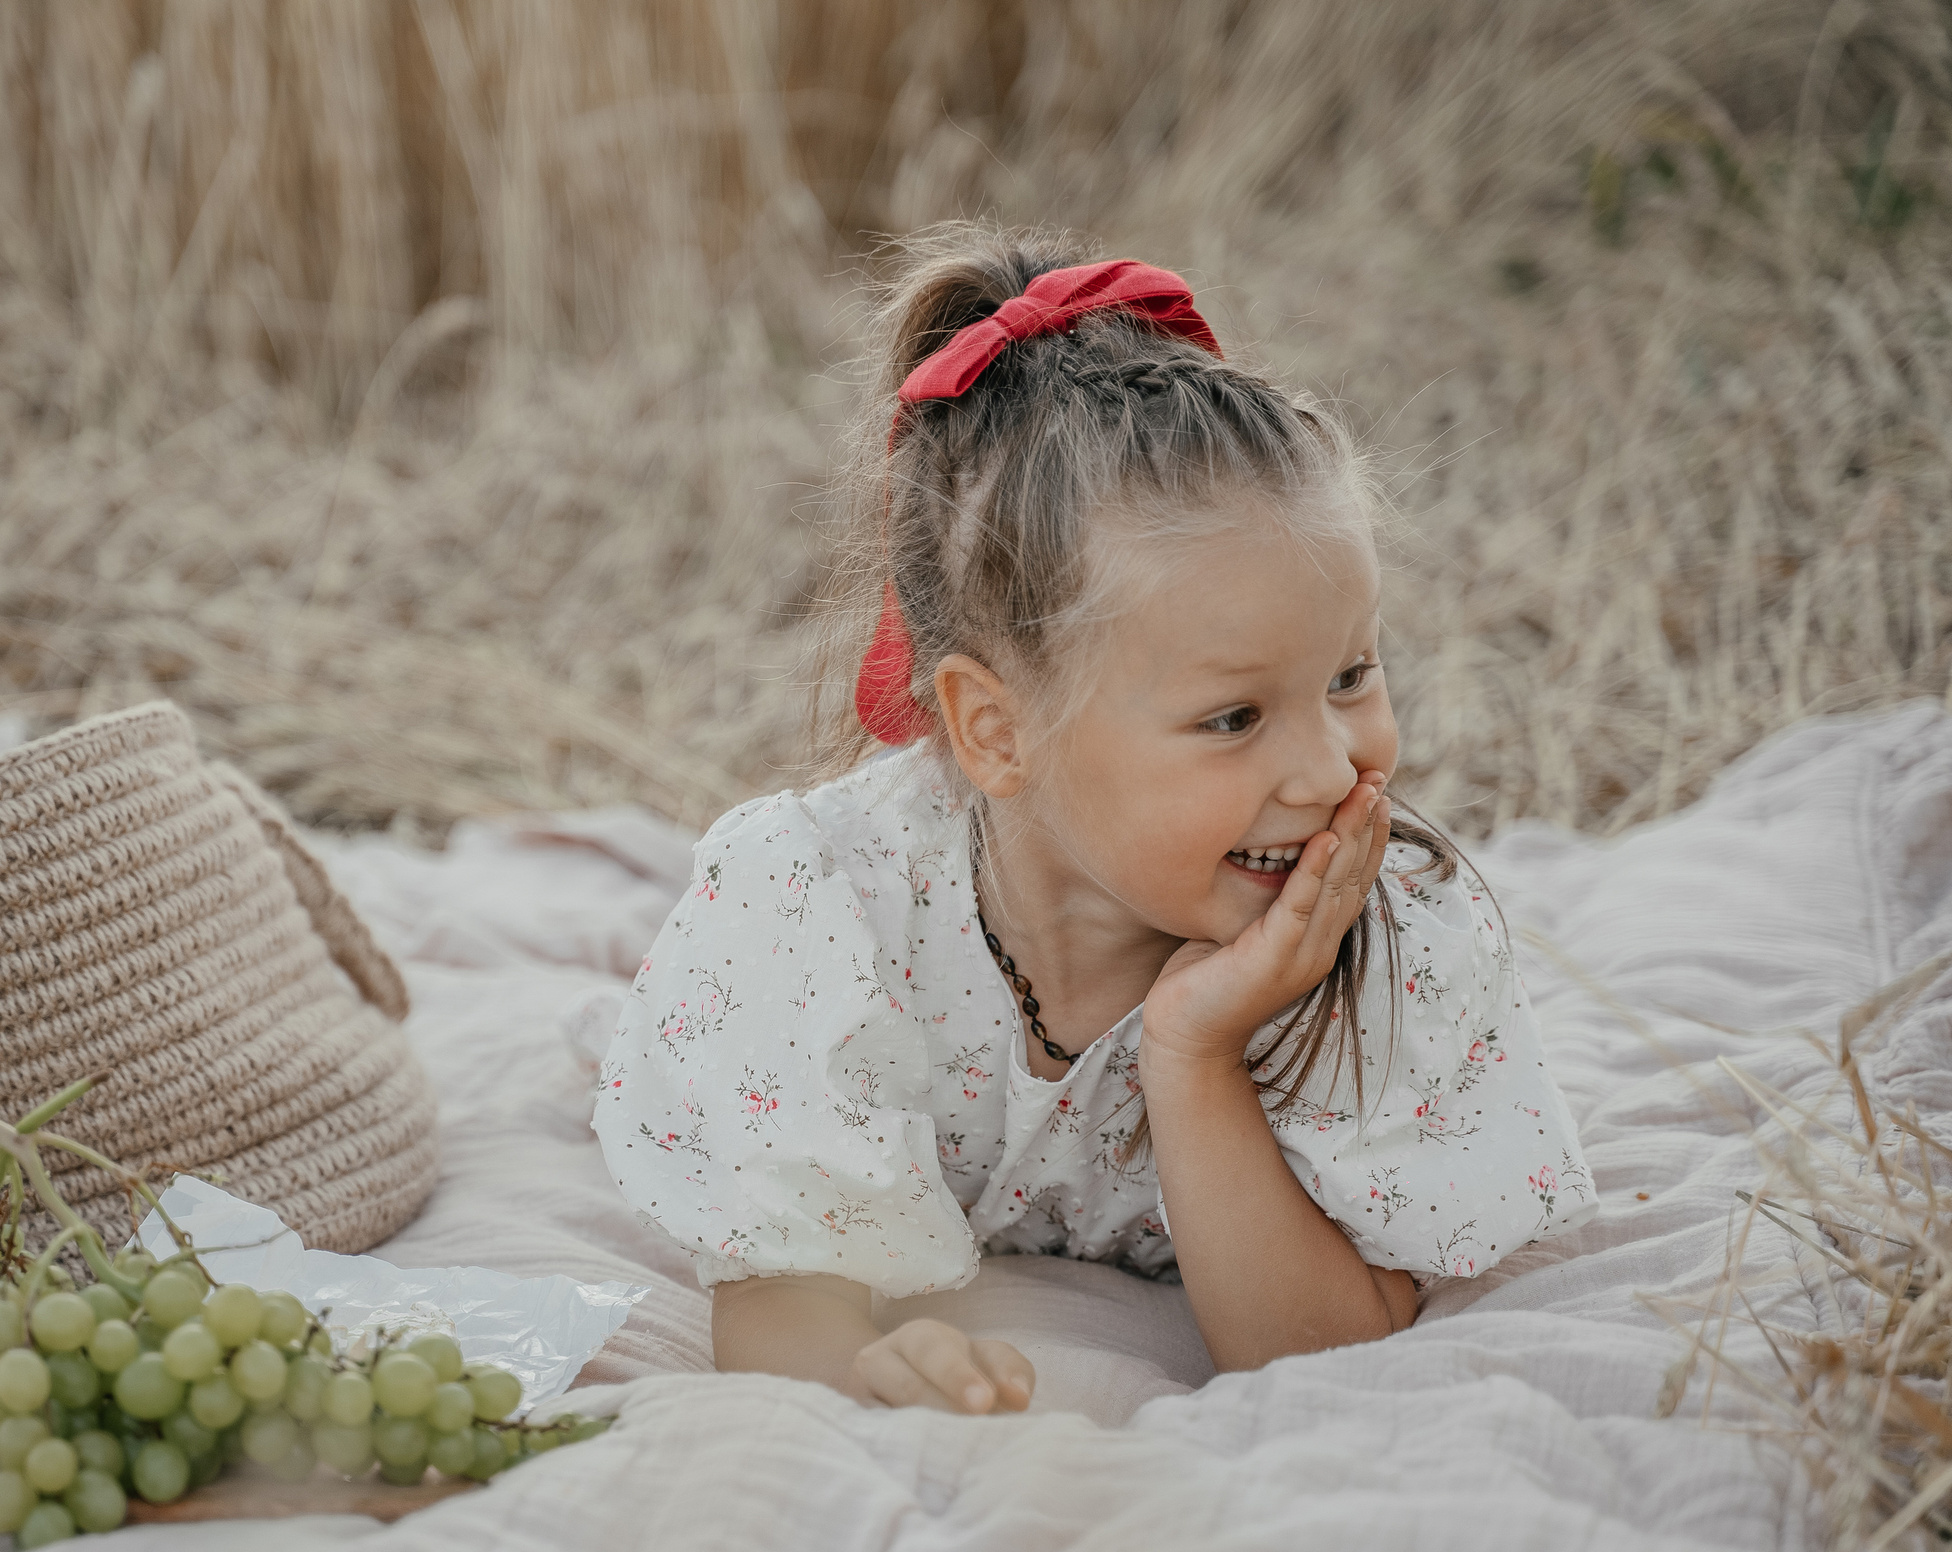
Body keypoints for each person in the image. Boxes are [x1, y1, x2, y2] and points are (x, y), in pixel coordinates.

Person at [593, 223, 1596, 1414]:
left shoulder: (1377, 942)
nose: (1331, 770)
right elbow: (786, 1289)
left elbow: (1330, 1353)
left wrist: (1194, 1052)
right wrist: (856, 1366)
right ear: (995, 731)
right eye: (1233, 717)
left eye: (1349, 675)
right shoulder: (823, 917)